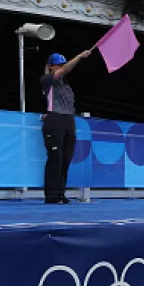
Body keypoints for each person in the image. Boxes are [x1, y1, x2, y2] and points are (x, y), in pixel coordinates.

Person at [39, 48, 93, 204]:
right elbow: (66, 69)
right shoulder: (47, 80)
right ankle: (51, 194)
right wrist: (79, 56)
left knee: (66, 158)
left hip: (68, 121)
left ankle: (60, 193)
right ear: (51, 66)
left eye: (62, 64)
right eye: (58, 65)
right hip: (55, 120)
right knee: (55, 158)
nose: (62, 67)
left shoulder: (66, 86)